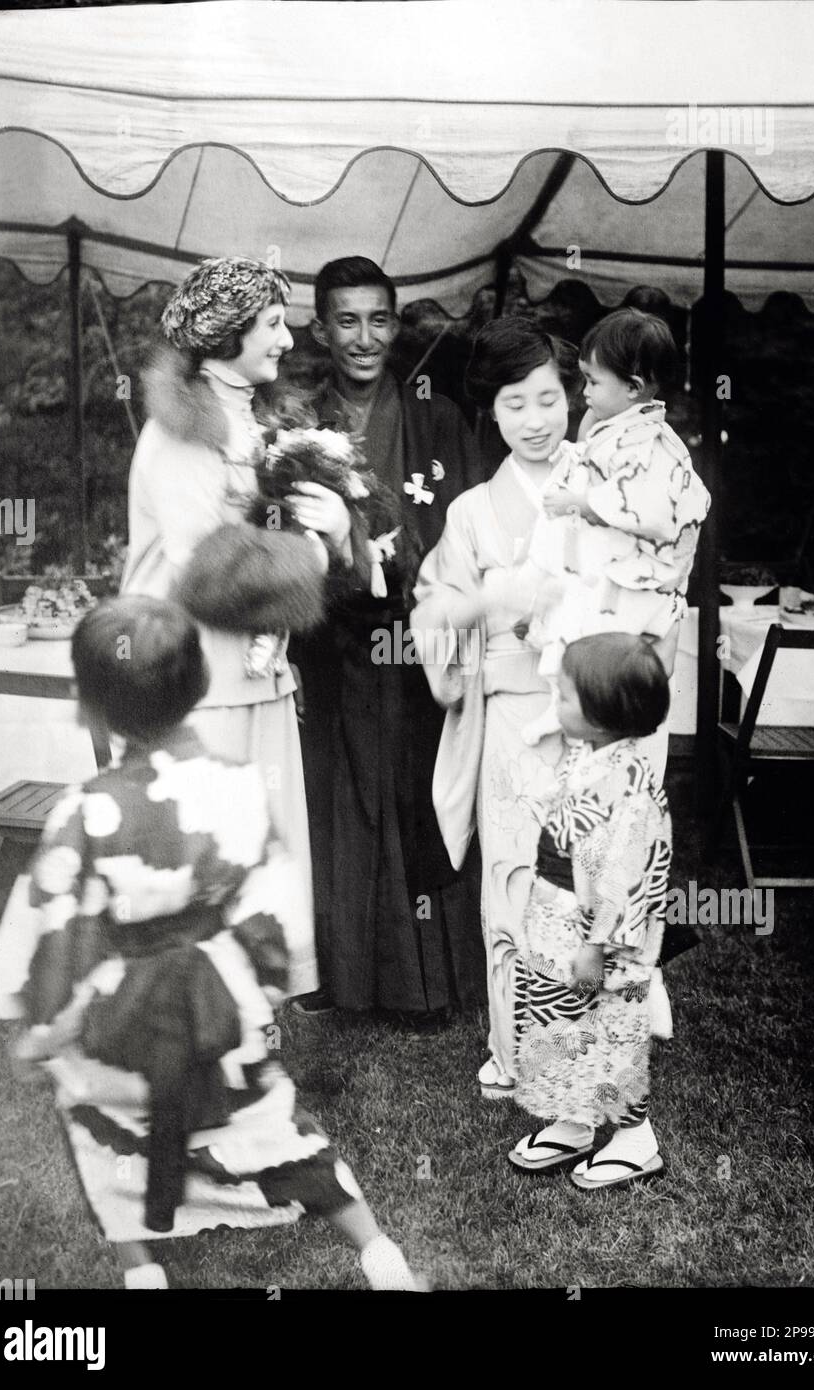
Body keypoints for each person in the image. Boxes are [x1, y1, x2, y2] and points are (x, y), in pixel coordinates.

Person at [10, 597, 425, 1291]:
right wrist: (257, 993)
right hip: (219, 1009)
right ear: (201, 683)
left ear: (95, 706)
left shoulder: (82, 810)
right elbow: (273, 911)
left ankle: (141, 1269)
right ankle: (379, 1254)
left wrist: (47, 1029)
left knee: (97, 1126)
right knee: (274, 1129)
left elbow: (59, 929)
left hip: (124, 1025)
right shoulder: (239, 784)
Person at [121, 256, 354, 998]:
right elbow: (206, 573)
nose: (288, 340)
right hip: (197, 684)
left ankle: (251, 1020)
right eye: (272, 325)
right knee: (209, 853)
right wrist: (312, 553)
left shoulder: (252, 425)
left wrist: (337, 531)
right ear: (226, 338)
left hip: (255, 677)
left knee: (260, 852)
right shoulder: (184, 433)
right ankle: (199, 1026)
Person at [289, 256, 484, 1026]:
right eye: (346, 320)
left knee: (415, 799)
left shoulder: (438, 419)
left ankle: (427, 986)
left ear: (397, 326)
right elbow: (278, 545)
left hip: (417, 643)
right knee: (340, 804)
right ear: (321, 328)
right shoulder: (301, 429)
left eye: (378, 319)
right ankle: (344, 978)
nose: (364, 337)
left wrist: (414, 565)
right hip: (333, 645)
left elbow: (468, 531)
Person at [411, 318, 581, 1095]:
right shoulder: (473, 510)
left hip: (593, 716)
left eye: (549, 399)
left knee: (589, 880)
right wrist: (480, 603)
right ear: (493, 412)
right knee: (512, 876)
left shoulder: (602, 486)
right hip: (511, 714)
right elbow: (434, 605)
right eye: (516, 404)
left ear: (572, 397)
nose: (537, 420)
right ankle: (515, 1051)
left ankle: (586, 1047)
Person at [507, 633, 671, 1190]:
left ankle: (634, 1136)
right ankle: (573, 1120)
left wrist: (597, 945)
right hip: (558, 919)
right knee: (555, 1020)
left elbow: (626, 879)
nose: (554, 705)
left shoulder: (630, 788)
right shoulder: (589, 755)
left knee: (610, 1028)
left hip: (600, 936)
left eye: (565, 698)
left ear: (603, 717)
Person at [517, 307, 710, 747]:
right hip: (606, 565)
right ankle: (561, 704)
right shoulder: (617, 425)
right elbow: (589, 454)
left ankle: (581, 709)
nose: (584, 391)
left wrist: (582, 501)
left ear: (634, 387)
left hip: (636, 579)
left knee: (596, 645)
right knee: (571, 626)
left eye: (593, 381)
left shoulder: (653, 441)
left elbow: (645, 505)